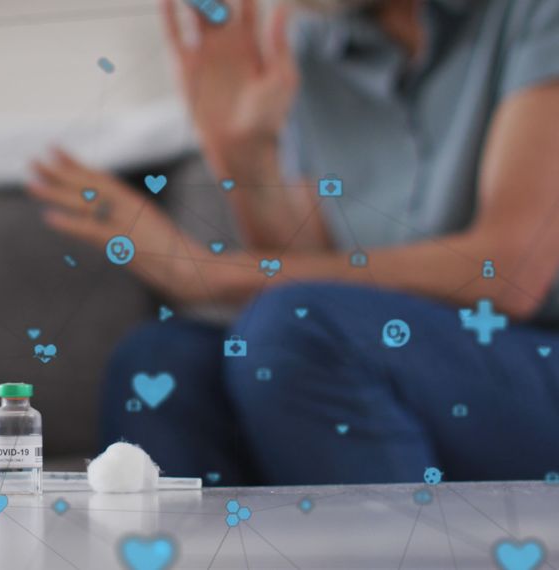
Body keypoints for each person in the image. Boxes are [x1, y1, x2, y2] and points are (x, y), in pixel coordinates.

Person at [28, 0, 559, 485]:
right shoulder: (309, 50)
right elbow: (316, 284)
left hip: (536, 367)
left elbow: (511, 273)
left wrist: (215, 273)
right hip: (406, 367)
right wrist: (247, 158)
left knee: (296, 329)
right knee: (160, 362)